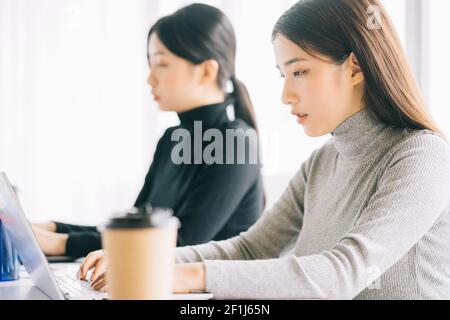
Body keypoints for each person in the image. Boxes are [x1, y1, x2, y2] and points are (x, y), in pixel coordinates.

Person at [79, 0, 450, 300]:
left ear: (354, 67)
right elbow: (250, 248)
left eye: (299, 72)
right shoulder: (321, 162)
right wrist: (140, 260)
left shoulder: (421, 156)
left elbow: (343, 272)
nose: (286, 96)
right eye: (282, 76)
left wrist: (176, 275)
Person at [32, 3, 264, 259]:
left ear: (207, 70)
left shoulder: (235, 142)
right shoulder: (171, 140)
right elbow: (134, 230)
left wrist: (61, 244)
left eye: (161, 64)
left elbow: (182, 242)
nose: (150, 78)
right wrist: (54, 229)